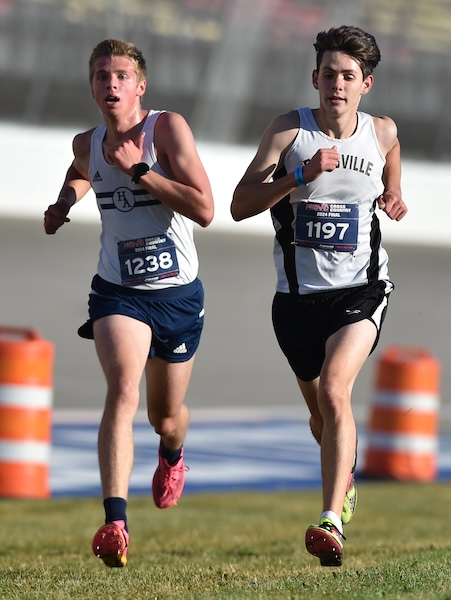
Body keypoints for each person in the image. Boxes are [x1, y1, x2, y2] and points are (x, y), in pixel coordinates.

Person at [231, 25, 407, 567]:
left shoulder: (380, 133)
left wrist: (394, 191)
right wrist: (298, 177)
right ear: (315, 78)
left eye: (348, 76)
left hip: (361, 290)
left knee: (336, 390)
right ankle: (344, 474)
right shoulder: (289, 132)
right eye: (328, 74)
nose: (337, 83)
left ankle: (331, 520)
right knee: (321, 416)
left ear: (365, 84)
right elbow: (239, 205)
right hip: (297, 300)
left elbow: (392, 150)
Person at [44, 38, 214, 568]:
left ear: (140, 86)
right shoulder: (85, 142)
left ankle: (173, 453)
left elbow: (206, 208)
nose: (110, 84)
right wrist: (64, 202)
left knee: (165, 416)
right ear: (92, 86)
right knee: (121, 391)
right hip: (117, 291)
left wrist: (142, 171)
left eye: (121, 75)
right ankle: (114, 522)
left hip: (178, 295)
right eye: (101, 76)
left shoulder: (167, 130)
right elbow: (81, 172)